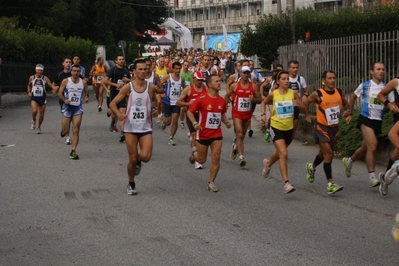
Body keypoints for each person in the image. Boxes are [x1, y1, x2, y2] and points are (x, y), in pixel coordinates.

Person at [109, 60, 158, 195]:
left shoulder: (151, 87)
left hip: (145, 126)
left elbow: (155, 103)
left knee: (146, 156)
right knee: (132, 157)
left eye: (145, 69)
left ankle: (138, 162)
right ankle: (131, 183)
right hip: (130, 127)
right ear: (134, 71)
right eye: (140, 69)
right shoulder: (128, 87)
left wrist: (156, 110)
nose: (143, 71)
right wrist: (119, 114)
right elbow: (113, 103)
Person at [342, 62, 392, 187]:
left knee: (365, 147)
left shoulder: (386, 87)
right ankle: (372, 177)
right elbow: (353, 96)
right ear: (372, 71)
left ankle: (349, 161)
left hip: (378, 122)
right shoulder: (365, 85)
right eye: (378, 69)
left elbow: (392, 103)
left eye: (383, 69)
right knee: (373, 145)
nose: (381, 71)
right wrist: (350, 113)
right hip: (365, 119)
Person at [304, 70, 350, 194]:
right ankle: (330, 184)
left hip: (334, 129)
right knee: (329, 154)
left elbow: (346, 106)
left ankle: (312, 167)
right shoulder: (318, 93)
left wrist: (347, 113)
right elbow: (306, 102)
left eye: (334, 78)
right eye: (329, 78)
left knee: (323, 154)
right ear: (323, 80)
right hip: (321, 128)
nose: (332, 80)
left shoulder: (340, 92)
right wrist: (307, 115)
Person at [260, 70, 303, 194]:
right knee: (284, 154)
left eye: (287, 79)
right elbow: (264, 102)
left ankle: (268, 164)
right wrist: (263, 114)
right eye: (283, 79)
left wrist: (302, 109)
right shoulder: (274, 94)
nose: (286, 81)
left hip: (288, 128)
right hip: (276, 127)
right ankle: (286, 183)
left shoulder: (293, 93)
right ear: (277, 81)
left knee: (279, 153)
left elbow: (301, 106)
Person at [187, 74, 231, 192]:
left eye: (219, 81)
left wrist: (226, 121)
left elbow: (221, 113)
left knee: (216, 158)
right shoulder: (201, 98)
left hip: (217, 134)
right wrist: (195, 123)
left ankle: (211, 182)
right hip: (202, 134)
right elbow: (190, 112)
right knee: (201, 160)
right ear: (210, 85)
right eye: (216, 81)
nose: (219, 83)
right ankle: (194, 153)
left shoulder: (222, 100)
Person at [225, 65, 262, 167]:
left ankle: (236, 147)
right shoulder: (235, 86)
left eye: (247, 73)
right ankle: (241, 157)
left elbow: (260, 100)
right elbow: (227, 95)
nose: (246, 75)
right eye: (244, 73)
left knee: (242, 135)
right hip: (237, 113)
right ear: (240, 73)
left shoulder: (253, 86)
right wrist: (226, 103)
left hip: (247, 114)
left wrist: (254, 99)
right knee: (239, 133)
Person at [176, 71, 207, 169]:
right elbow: (178, 102)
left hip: (203, 116)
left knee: (201, 138)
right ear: (193, 79)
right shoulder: (188, 90)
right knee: (195, 136)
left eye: (201, 80)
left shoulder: (206, 89)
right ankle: (198, 160)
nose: (200, 82)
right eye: (198, 80)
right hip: (191, 115)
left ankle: (194, 152)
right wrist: (189, 104)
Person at [58, 64, 89, 159]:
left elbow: (86, 92)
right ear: (71, 71)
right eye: (74, 71)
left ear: (80, 72)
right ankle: (63, 131)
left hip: (77, 109)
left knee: (76, 130)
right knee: (65, 130)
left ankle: (73, 150)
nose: (76, 73)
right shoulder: (66, 81)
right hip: (67, 108)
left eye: (78, 71)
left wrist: (86, 97)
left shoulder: (83, 82)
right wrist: (64, 100)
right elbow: (59, 93)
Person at [376, 76, 399, 196]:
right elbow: (380, 95)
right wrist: (389, 104)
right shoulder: (396, 82)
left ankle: (385, 178)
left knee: (396, 154)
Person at [102, 54, 131, 142]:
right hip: (114, 94)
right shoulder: (113, 70)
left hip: (123, 95)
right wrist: (116, 85)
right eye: (120, 59)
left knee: (122, 113)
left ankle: (122, 133)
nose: (121, 61)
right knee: (114, 114)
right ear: (116, 61)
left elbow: (131, 81)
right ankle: (112, 119)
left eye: (122, 59)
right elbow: (105, 80)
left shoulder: (126, 70)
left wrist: (128, 81)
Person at [160, 61, 186, 145]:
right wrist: (161, 93)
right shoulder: (168, 77)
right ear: (173, 69)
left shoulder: (181, 78)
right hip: (167, 102)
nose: (178, 70)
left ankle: (171, 138)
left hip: (177, 103)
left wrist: (184, 98)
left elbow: (185, 88)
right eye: (176, 69)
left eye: (179, 69)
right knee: (168, 123)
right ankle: (164, 122)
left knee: (175, 120)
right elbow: (159, 85)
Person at [27, 64, 55, 133]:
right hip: (34, 97)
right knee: (34, 111)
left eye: (41, 70)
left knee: (41, 114)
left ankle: (39, 126)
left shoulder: (45, 78)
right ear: (35, 70)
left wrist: (54, 89)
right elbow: (29, 85)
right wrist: (29, 92)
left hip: (42, 97)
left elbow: (51, 85)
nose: (39, 72)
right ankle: (33, 120)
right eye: (38, 70)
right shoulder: (32, 77)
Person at [53, 56, 74, 145]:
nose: (68, 64)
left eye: (69, 62)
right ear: (63, 63)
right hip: (63, 100)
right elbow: (53, 85)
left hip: (74, 100)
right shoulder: (59, 75)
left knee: (73, 119)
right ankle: (67, 136)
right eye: (66, 62)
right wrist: (55, 88)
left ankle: (68, 133)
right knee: (66, 118)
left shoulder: (75, 73)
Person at [288, 60, 309, 139]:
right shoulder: (285, 79)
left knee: (294, 127)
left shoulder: (301, 79)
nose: (295, 69)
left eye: (296, 67)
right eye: (293, 67)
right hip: (286, 105)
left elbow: (306, 91)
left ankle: (291, 137)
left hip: (296, 105)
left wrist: (305, 95)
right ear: (289, 68)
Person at [155, 56, 169, 125]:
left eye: (164, 61)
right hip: (158, 88)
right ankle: (159, 114)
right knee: (159, 101)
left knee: (163, 103)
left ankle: (162, 114)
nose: (163, 63)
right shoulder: (155, 70)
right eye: (161, 61)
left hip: (164, 88)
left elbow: (169, 78)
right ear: (158, 62)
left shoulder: (167, 69)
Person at [179, 60, 192, 129]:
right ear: (182, 66)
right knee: (182, 108)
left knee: (188, 109)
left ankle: (189, 120)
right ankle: (182, 121)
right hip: (181, 93)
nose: (186, 67)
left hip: (189, 94)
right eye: (185, 65)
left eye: (187, 65)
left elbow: (192, 84)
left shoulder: (191, 73)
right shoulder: (180, 73)